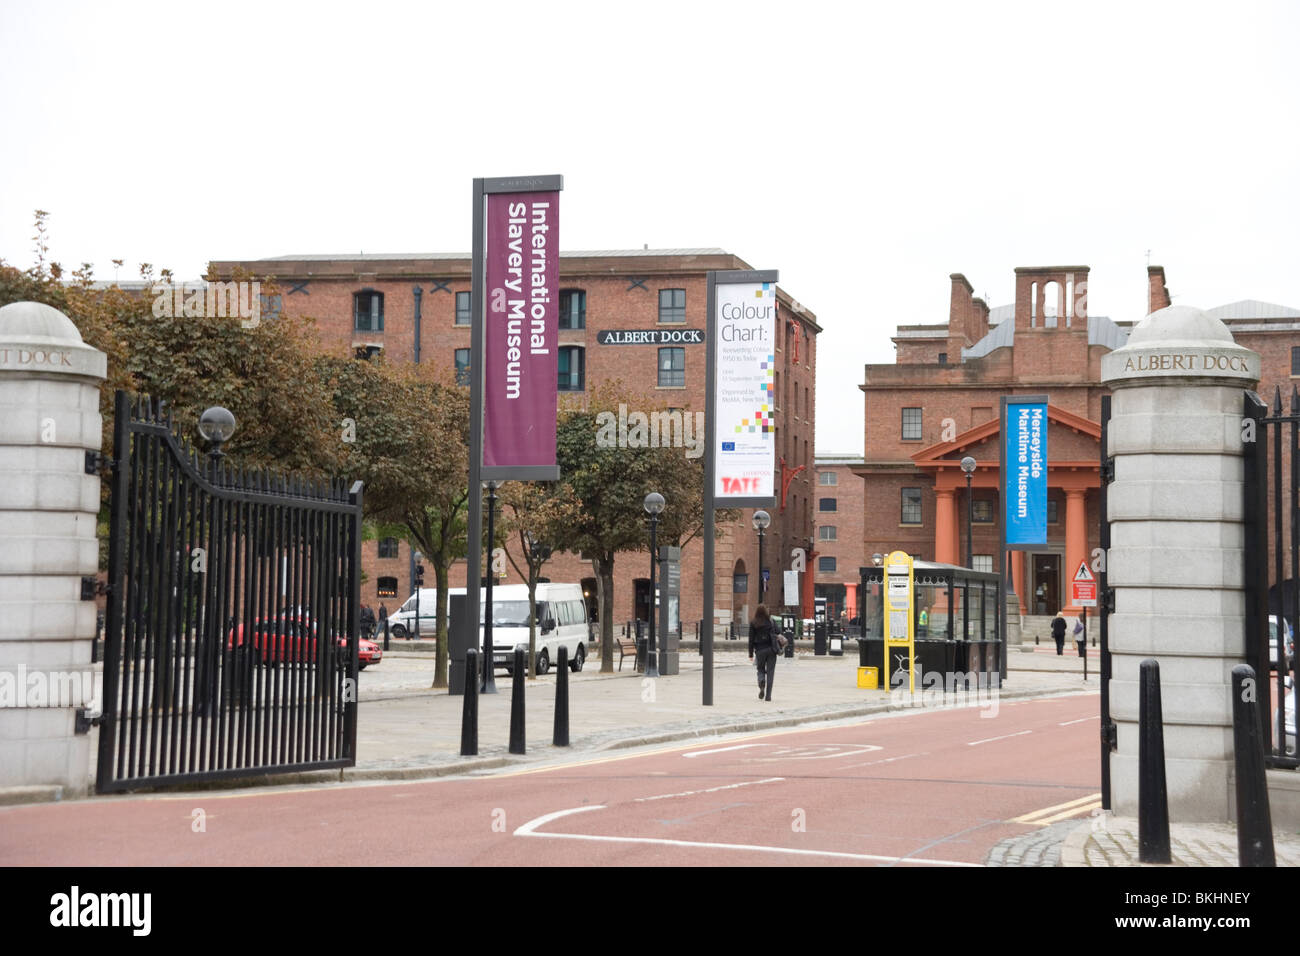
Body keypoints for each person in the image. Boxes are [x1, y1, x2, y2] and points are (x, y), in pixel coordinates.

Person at [749, 604, 778, 702]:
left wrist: (750, 654)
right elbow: (779, 631)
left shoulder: (753, 623)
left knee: (760, 669)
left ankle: (761, 682)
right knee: (771, 672)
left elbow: (751, 640)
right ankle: (768, 696)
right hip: (771, 650)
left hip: (760, 650)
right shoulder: (771, 621)